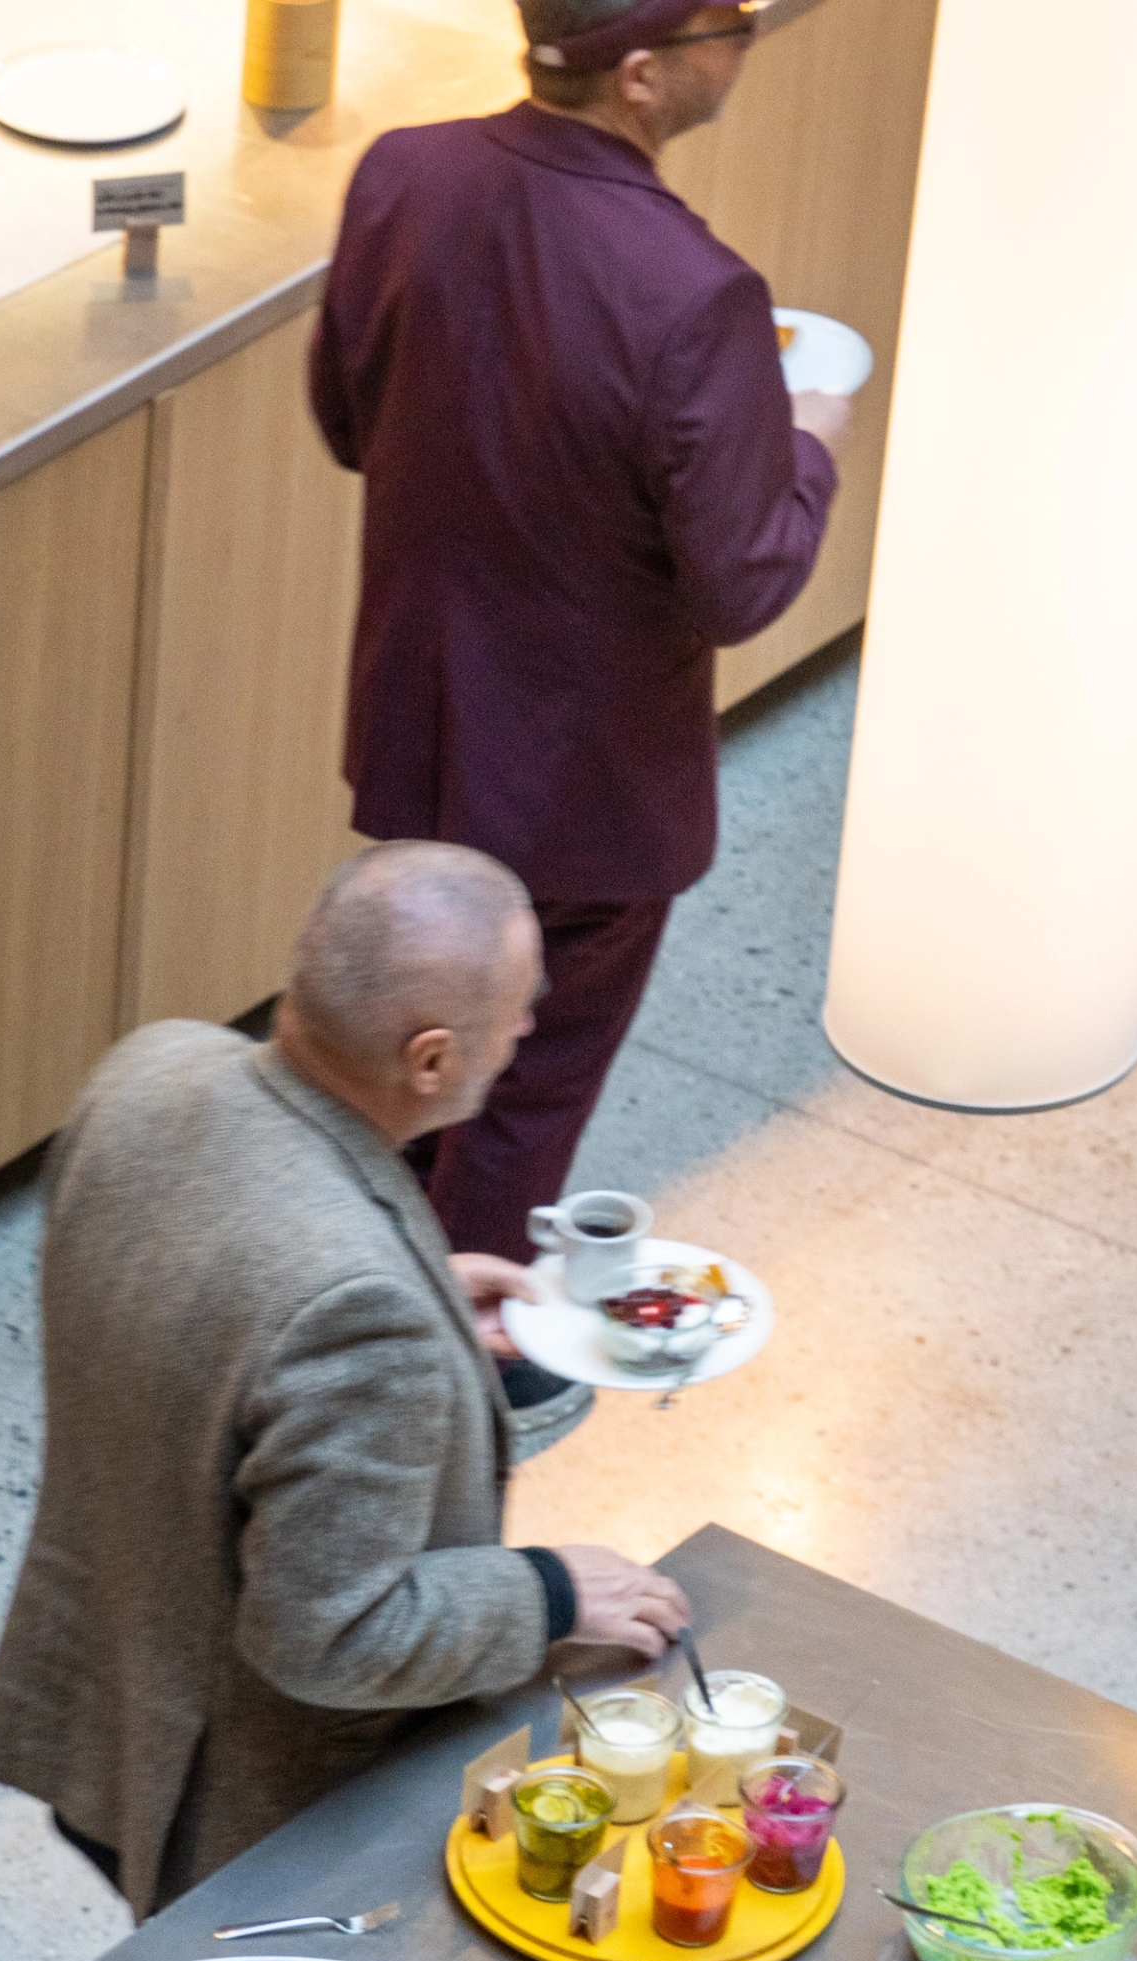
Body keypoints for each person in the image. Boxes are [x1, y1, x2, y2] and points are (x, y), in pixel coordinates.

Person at [0, 837, 692, 1916]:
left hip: (100, 1692)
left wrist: (424, 1291)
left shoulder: (152, 1067)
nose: (533, 1026)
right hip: (233, 1799)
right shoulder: (357, 1317)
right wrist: (546, 1592)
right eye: (519, 1009)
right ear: (432, 1061)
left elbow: (196, 1293)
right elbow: (333, 1634)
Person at [311, 0, 850, 1271]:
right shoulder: (695, 292)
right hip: (584, 787)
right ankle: (465, 1356)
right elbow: (745, 581)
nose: (748, 40)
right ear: (647, 76)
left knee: (414, 1052)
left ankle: (357, 1287)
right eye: (732, 24)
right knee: (521, 1081)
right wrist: (811, 437)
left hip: (423, 721)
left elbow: (349, 420)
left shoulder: (406, 172)